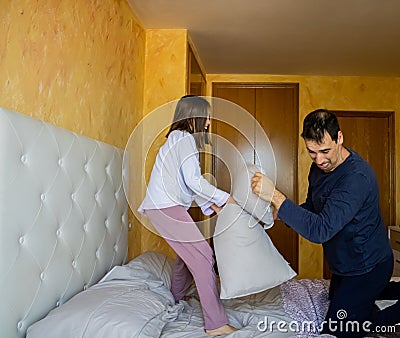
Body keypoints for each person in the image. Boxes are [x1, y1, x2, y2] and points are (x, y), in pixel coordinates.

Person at [251, 109, 400, 337]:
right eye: (312, 152)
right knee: (340, 301)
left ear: (339, 138)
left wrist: (277, 197)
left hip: (368, 266)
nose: (319, 160)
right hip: (343, 264)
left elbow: (321, 230)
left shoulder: (355, 178)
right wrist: (280, 213)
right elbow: (314, 207)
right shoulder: (319, 168)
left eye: (325, 151)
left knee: (341, 329)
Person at [138, 95, 238, 336]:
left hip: (165, 206)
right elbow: (194, 181)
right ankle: (215, 324)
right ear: (195, 116)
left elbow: (185, 184)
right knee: (203, 255)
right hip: (165, 207)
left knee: (186, 255)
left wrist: (210, 206)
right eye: (206, 116)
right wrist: (224, 197)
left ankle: (175, 297)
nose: (209, 121)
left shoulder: (177, 139)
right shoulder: (183, 140)